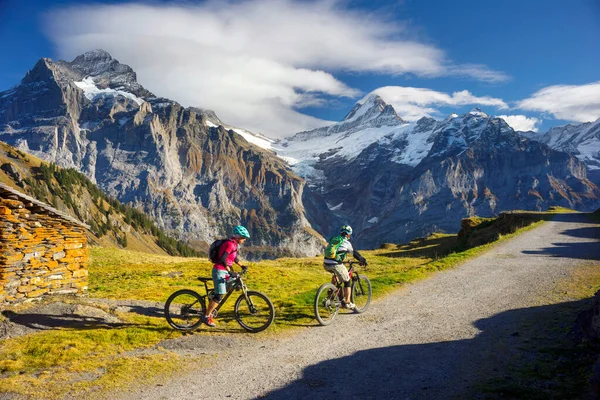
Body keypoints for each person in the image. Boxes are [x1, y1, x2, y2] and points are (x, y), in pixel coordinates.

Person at [202, 225, 250, 327]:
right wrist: (229, 271)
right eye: (243, 237)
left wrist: (242, 266)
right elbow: (223, 259)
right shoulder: (230, 244)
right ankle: (206, 317)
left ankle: (213, 295)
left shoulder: (234, 245)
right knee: (219, 296)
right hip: (219, 271)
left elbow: (234, 258)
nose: (245, 240)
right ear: (238, 237)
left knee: (233, 283)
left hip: (224, 271)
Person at [323, 224, 367, 310]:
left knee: (336, 276)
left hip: (326, 263)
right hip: (335, 263)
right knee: (347, 280)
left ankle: (330, 296)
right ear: (349, 234)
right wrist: (362, 260)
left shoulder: (335, 239)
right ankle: (347, 302)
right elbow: (354, 253)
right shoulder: (346, 242)